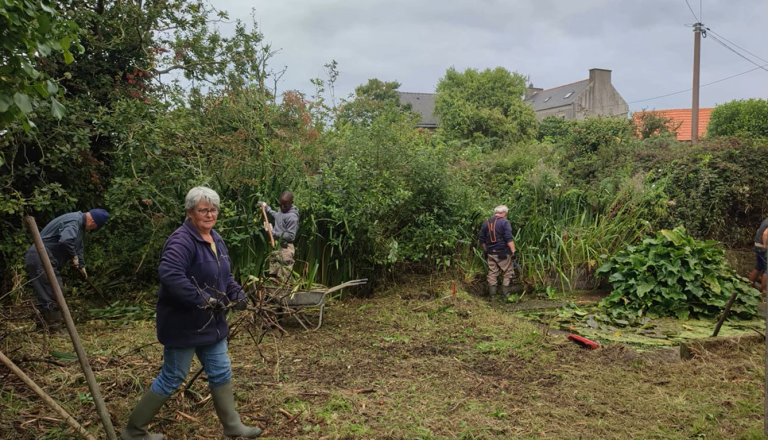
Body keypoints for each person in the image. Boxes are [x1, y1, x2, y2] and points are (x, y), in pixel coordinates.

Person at [120, 187, 261, 440]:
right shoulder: (181, 240)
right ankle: (134, 431)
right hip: (183, 325)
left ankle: (232, 426)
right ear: (189, 212)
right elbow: (170, 275)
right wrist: (203, 299)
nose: (209, 214)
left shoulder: (215, 238)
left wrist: (237, 293)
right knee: (173, 376)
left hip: (212, 324)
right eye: (203, 210)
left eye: (213, 209)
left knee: (221, 371)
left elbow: (225, 276)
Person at [25, 209, 109, 331]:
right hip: (41, 257)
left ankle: (42, 327)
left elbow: (77, 247)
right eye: (95, 227)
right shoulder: (74, 221)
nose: (92, 229)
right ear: (93, 222)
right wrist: (73, 256)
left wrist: (82, 266)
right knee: (54, 291)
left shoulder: (78, 224)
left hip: (45, 258)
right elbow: (66, 239)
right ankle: (53, 329)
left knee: (48, 291)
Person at [478, 205, 517, 302]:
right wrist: (513, 251)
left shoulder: (486, 223)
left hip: (491, 252)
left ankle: (492, 297)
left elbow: (482, 240)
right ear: (504, 213)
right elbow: (509, 238)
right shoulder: (505, 222)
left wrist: (486, 251)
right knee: (507, 272)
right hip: (503, 252)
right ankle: (506, 296)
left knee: (492, 273)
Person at [258, 192, 299, 281]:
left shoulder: (292, 217)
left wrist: (273, 232)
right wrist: (267, 208)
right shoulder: (282, 209)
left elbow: (291, 236)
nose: (282, 207)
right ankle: (272, 292)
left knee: (283, 276)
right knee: (273, 273)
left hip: (285, 249)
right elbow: (278, 216)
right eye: (281, 205)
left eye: (285, 206)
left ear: (291, 203)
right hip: (277, 246)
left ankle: (283, 293)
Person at [749, 217, 768, 297]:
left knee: (759, 266)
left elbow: (758, 231)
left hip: (757, 244)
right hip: (762, 246)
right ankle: (764, 290)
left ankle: (749, 284)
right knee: (766, 268)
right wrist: (764, 245)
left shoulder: (766, 220)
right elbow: (765, 233)